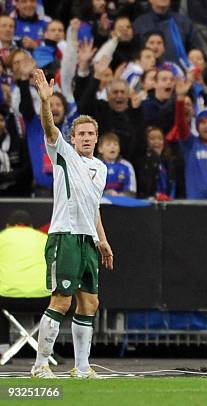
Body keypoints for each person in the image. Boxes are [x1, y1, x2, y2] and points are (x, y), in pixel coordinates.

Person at [30, 69, 114, 379]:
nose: (87, 139)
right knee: (62, 300)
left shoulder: (101, 168)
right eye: (81, 134)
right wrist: (45, 102)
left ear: (97, 137)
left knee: (90, 302)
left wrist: (102, 240)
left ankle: (81, 367)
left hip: (88, 240)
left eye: (91, 134)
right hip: (64, 236)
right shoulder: (62, 153)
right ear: (72, 137)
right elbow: (48, 128)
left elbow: (93, 206)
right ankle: (40, 365)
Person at [0, 210, 50, 360]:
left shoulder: (2, 237)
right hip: (43, 299)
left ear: (9, 225)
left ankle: (2, 348)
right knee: (53, 309)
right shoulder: (44, 238)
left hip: (7, 298)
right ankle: (46, 350)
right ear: (31, 226)